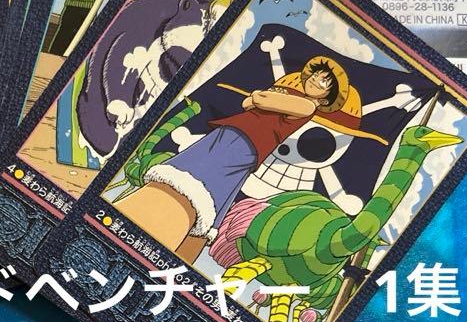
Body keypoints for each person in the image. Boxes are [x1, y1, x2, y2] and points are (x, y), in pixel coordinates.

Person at [116, 56, 352, 263]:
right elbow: (247, 103)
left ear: (326, 98)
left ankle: (144, 228)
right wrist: (263, 98)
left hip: (240, 144)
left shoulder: (306, 104)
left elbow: (259, 100)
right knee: (208, 197)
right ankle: (175, 254)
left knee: (192, 184)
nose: (316, 80)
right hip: (235, 138)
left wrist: (265, 96)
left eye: (324, 82)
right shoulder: (294, 99)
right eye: (317, 75)